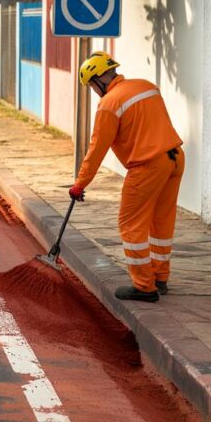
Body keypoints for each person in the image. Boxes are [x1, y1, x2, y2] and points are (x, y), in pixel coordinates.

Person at [69, 52, 184, 303]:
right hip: (174, 158)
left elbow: (96, 149)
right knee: (161, 221)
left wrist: (80, 185)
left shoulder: (109, 104)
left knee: (131, 224)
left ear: (98, 80)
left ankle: (144, 286)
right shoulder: (147, 86)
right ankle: (160, 277)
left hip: (147, 166)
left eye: (91, 86)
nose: (93, 91)